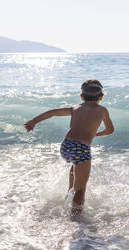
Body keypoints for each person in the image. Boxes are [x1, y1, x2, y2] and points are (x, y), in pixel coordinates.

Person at [24, 79, 114, 215]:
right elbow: (110, 130)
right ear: (101, 97)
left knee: (75, 167)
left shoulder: (75, 108)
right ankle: (76, 218)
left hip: (66, 146)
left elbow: (53, 112)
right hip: (81, 148)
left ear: (81, 96)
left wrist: (34, 121)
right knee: (81, 189)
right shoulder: (102, 110)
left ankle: (68, 197)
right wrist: (94, 134)